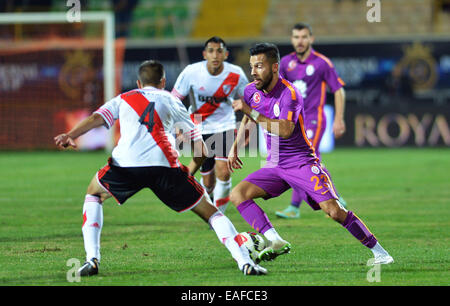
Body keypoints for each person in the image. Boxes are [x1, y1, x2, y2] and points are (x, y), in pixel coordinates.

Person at [54, 60, 267, 276]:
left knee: (94, 194)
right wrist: (188, 172)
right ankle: (244, 262)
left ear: (138, 82)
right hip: (165, 166)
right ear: (163, 82)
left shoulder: (125, 98)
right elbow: (201, 150)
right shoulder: (172, 101)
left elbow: (95, 118)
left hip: (126, 166)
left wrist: (70, 135)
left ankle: (92, 259)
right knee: (211, 213)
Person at [227, 43, 394, 265]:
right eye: (252, 67)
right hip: (275, 164)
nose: (254, 72)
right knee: (238, 194)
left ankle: (380, 252)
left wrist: (250, 111)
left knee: (334, 211)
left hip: (301, 162)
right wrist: (235, 147)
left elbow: (285, 130)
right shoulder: (251, 91)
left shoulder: (290, 93)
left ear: (274, 67)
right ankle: (274, 239)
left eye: (259, 66)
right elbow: (248, 119)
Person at [276, 22, 347, 219]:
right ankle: (336, 197)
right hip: (294, 121)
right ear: (292, 39)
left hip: (314, 119)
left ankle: (294, 207)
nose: (300, 41)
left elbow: (339, 90)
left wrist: (339, 119)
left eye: (304, 37)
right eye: (296, 37)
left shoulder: (322, 63)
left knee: (304, 160)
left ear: (311, 39)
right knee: (311, 161)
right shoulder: (286, 63)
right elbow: (278, 90)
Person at [171, 36, 249, 214]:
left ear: (226, 54)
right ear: (204, 54)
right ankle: (209, 198)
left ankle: (217, 215)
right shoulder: (191, 72)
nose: (215, 55)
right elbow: (173, 100)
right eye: (211, 51)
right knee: (208, 181)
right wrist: (179, 126)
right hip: (198, 126)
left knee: (224, 171)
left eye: (219, 51)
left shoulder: (236, 73)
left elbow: (250, 100)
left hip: (225, 125)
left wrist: (246, 117)